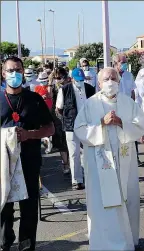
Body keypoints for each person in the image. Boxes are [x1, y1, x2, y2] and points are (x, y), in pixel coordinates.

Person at [73, 67, 144, 251]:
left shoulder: (128, 103)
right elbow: (80, 129)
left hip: (125, 162)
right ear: (99, 83)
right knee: (102, 203)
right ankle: (103, 244)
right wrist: (101, 123)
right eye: (106, 79)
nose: (110, 82)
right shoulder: (90, 104)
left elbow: (141, 125)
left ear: (119, 82)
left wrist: (122, 122)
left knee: (126, 199)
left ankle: (128, 241)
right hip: (100, 164)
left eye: (114, 78)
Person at [0, 56, 55, 251]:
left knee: (29, 208)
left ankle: (26, 245)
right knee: (3, 207)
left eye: (18, 70)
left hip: (29, 161)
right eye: (10, 70)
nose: (14, 74)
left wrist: (30, 134)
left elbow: (50, 129)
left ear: (23, 73)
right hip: (3, 164)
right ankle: (5, 243)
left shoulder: (34, 99)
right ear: (3, 73)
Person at [56, 68, 95, 190]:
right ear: (72, 79)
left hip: (87, 125)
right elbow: (59, 108)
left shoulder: (89, 89)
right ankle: (77, 180)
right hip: (71, 126)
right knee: (74, 154)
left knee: (89, 152)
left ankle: (90, 177)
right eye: (78, 80)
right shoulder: (64, 90)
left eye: (82, 80)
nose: (80, 82)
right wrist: (68, 118)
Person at [49, 67, 70, 174]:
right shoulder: (53, 87)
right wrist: (50, 82)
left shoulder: (69, 86)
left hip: (68, 114)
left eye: (60, 78)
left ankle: (69, 161)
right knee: (60, 139)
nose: (58, 80)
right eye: (56, 78)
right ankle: (65, 163)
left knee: (69, 139)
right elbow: (50, 95)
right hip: (57, 116)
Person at [35, 71, 54, 154]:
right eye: (41, 81)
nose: (42, 82)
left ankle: (49, 141)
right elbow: (35, 98)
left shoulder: (49, 87)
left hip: (49, 108)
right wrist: (40, 97)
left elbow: (51, 95)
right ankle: (46, 141)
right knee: (42, 126)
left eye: (44, 80)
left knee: (48, 125)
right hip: (40, 109)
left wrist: (49, 85)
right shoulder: (37, 88)